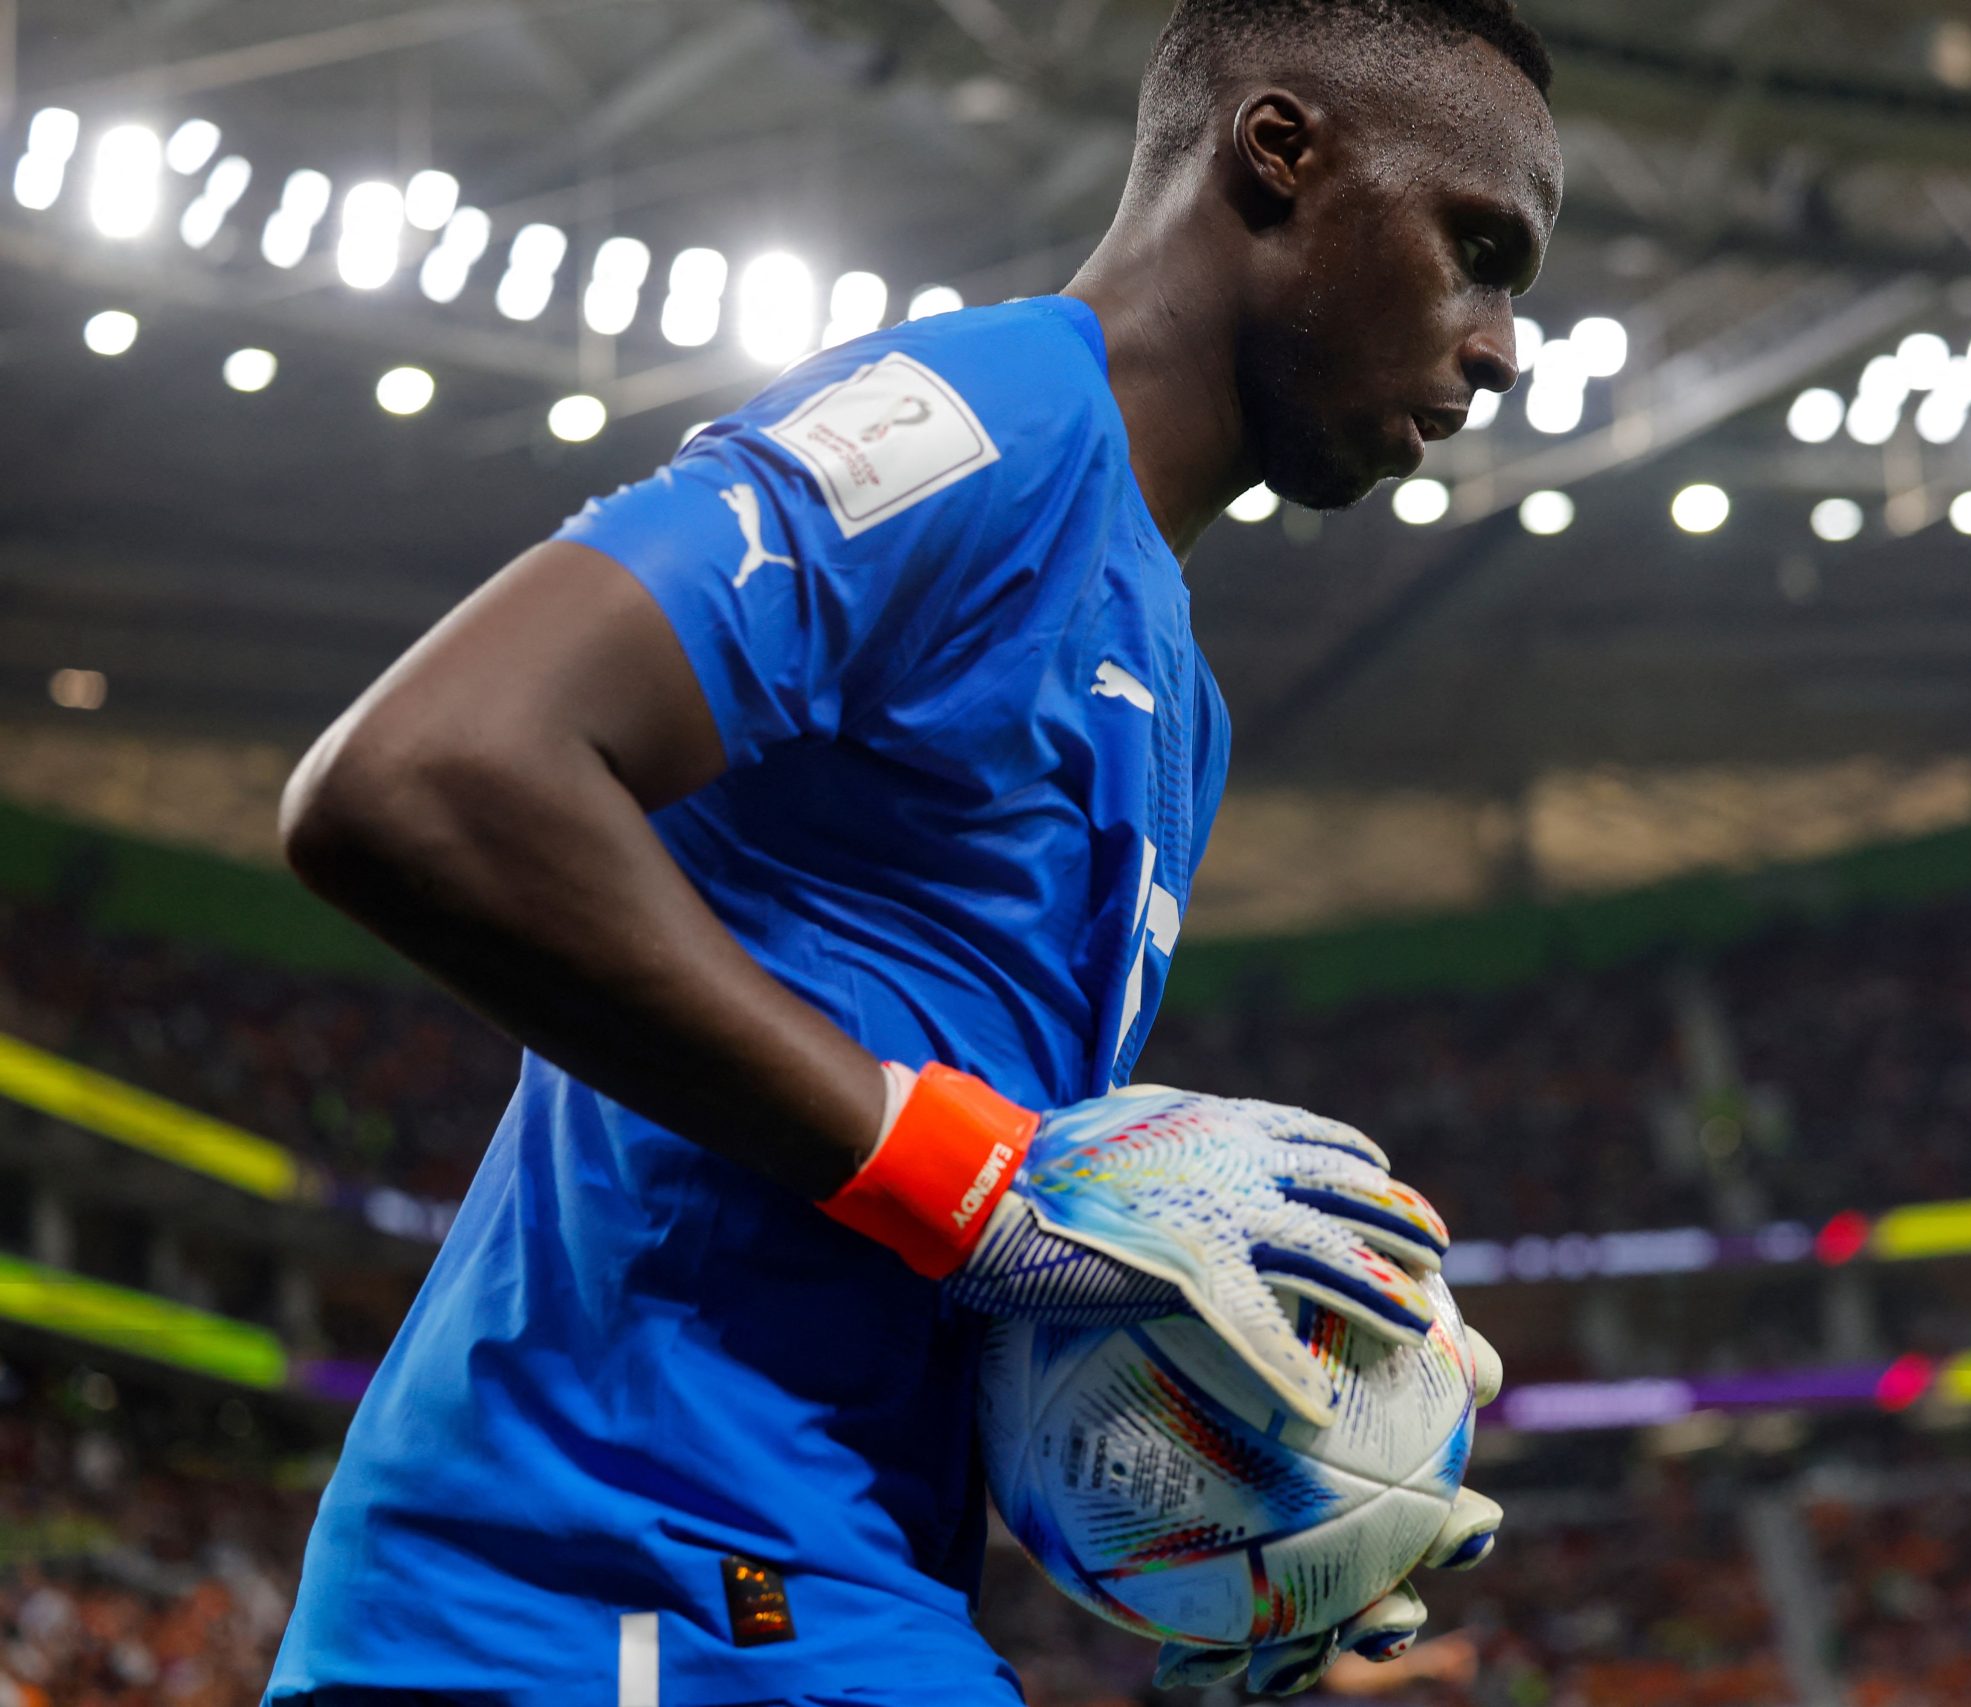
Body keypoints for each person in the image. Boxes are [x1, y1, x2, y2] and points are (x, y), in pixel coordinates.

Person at [262, 0, 1561, 1700]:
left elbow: (957, 1243)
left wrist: (1255, 1499)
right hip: (603, 1575)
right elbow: (422, 776)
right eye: (1477, 248)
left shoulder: (1179, 697)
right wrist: (976, 1181)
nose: (1502, 345)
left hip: (803, 1579)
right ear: (1279, 154)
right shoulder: (992, 421)